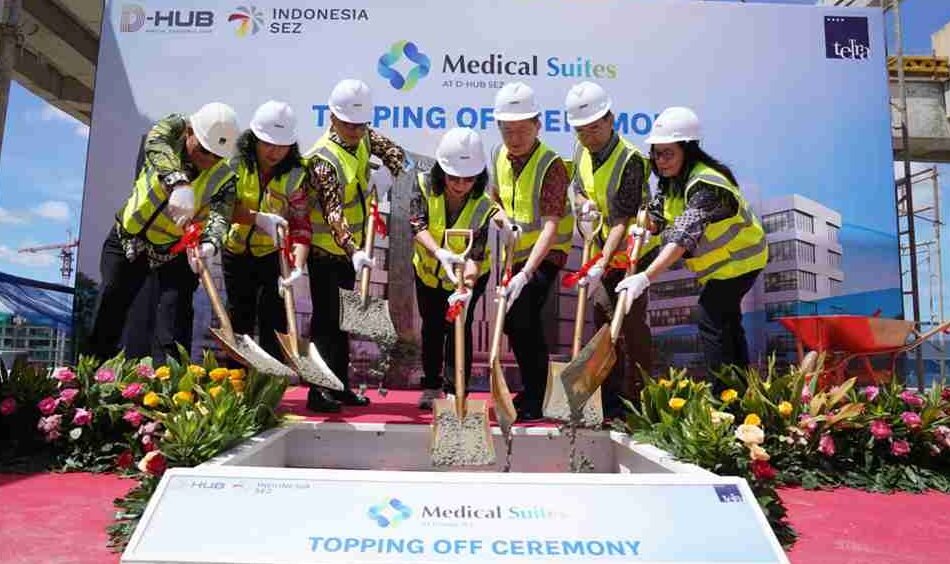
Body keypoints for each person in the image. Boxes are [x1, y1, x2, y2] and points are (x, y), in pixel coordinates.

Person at [615, 107, 767, 393]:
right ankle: (741, 393)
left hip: (742, 260)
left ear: (688, 150)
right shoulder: (671, 181)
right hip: (722, 267)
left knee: (711, 317)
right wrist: (645, 228)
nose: (660, 161)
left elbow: (684, 234)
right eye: (656, 154)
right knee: (728, 324)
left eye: (668, 154)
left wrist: (645, 277)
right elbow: (660, 217)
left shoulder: (706, 185)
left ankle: (722, 395)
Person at [88, 103, 240, 363]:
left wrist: (210, 244)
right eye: (204, 150)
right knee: (110, 307)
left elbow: (221, 216)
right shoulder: (171, 132)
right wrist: (178, 182)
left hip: (174, 252)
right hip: (129, 239)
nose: (209, 160)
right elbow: (155, 141)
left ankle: (170, 380)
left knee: (174, 321)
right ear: (190, 132)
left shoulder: (225, 178)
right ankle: (93, 373)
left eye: (217, 155)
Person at [293, 79, 408, 412]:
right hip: (325, 249)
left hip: (351, 251)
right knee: (325, 321)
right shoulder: (322, 159)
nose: (356, 131)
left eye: (361, 125)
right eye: (349, 125)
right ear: (332, 118)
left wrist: (388, 175)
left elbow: (397, 154)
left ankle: (340, 386)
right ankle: (318, 391)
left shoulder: (364, 136)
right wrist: (353, 249)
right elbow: (333, 211)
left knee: (342, 320)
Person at [565, 81, 659, 419]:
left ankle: (643, 400)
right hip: (604, 251)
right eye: (581, 130)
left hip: (633, 253)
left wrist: (599, 264)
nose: (588, 136)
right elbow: (577, 186)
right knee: (603, 322)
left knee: (629, 324)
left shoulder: (630, 160)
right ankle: (608, 403)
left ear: (610, 120)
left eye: (594, 128)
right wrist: (583, 204)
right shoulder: (580, 150)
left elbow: (622, 219)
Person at [489, 82, 574, 421]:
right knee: (513, 322)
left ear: (537, 125)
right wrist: (502, 221)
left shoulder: (551, 165)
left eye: (522, 130)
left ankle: (538, 396)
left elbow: (551, 226)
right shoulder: (498, 154)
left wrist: (526, 274)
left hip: (547, 253)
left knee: (523, 316)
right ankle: (534, 387)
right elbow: (495, 199)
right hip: (515, 251)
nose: (515, 138)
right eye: (507, 130)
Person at [411, 128, 496, 410]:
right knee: (432, 328)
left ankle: (455, 389)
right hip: (428, 273)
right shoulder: (423, 184)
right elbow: (417, 224)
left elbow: (477, 253)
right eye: (454, 177)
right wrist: (438, 252)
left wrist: (466, 289)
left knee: (460, 326)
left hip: (469, 275)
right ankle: (432, 386)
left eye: (468, 179)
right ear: (442, 171)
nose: (460, 185)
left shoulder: (483, 204)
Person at [222, 100, 308, 368]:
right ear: (254, 139)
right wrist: (257, 218)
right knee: (239, 320)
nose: (275, 152)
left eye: (282, 145)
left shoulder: (296, 174)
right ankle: (236, 382)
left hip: (273, 256)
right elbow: (222, 207)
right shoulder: (234, 164)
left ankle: (270, 381)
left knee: (274, 320)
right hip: (236, 252)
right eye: (268, 143)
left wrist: (298, 265)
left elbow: (301, 224)